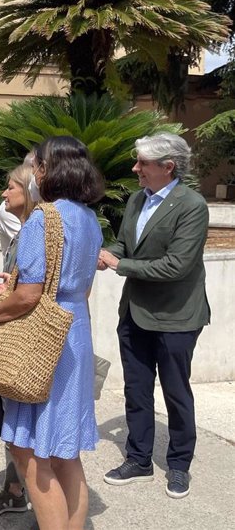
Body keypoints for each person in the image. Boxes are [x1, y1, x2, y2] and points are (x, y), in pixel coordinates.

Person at [0, 136, 105, 530]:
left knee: (28, 452)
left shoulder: (44, 218)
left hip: (42, 344)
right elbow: (83, 286)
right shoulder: (89, 218)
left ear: (46, 171)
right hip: (74, 330)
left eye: (39, 166)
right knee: (65, 451)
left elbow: (27, 296)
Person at [99, 133, 210, 500]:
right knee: (136, 389)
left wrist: (119, 264)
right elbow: (124, 243)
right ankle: (139, 458)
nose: (135, 169)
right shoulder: (136, 199)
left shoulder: (192, 205)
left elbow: (177, 265)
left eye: (143, 163)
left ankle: (179, 465)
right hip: (135, 313)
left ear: (168, 167)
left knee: (176, 392)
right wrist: (104, 253)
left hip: (176, 317)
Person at [0, 160, 37, 517]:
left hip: (23, 341)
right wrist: (7, 285)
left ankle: (39, 503)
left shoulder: (35, 232)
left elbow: (31, 295)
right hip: (17, 331)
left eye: (11, 187)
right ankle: (15, 488)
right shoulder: (24, 230)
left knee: (22, 420)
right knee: (14, 418)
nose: (4, 193)